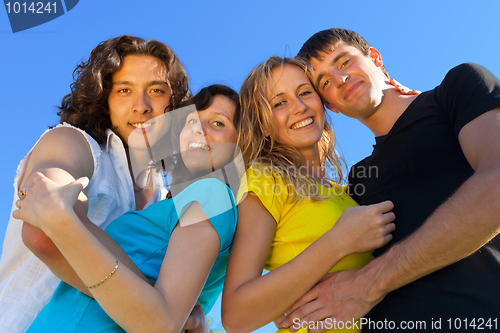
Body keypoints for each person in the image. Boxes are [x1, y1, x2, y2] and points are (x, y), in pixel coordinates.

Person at [275, 28, 500, 332]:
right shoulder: (357, 182)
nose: (340, 79)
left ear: (375, 57)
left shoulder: (456, 90)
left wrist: (370, 282)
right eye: (325, 82)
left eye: (343, 62)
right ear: (331, 106)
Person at [0, 35, 209, 332]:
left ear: (174, 105)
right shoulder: (73, 143)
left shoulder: (161, 197)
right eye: (124, 90)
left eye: (157, 90)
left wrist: (189, 308)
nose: (142, 106)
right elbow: (44, 226)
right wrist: (159, 304)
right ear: (104, 100)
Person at [13, 84, 243, 332]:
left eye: (218, 123)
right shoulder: (175, 205)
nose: (199, 129)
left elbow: (160, 323)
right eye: (191, 121)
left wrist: (61, 218)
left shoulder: (212, 193)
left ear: (242, 142)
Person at [221, 56, 396, 333]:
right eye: (279, 103)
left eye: (304, 93)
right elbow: (236, 316)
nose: (300, 107)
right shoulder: (265, 179)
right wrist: (338, 241)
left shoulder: (346, 193)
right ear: (263, 126)